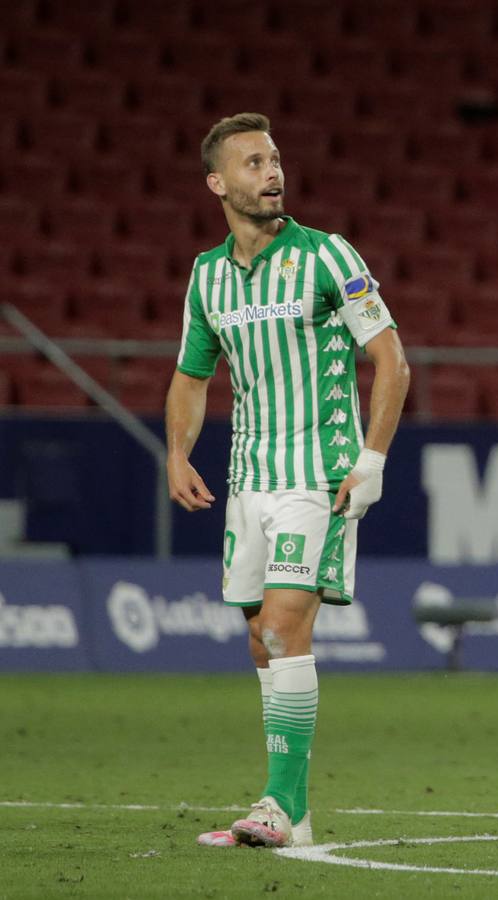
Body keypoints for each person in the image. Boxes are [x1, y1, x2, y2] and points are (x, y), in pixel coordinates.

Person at [166, 113, 411, 849]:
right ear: (218, 183)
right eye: (252, 162)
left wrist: (371, 459)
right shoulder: (208, 275)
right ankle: (295, 818)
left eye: (274, 158)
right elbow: (189, 376)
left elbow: (392, 360)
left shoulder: (329, 257)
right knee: (257, 640)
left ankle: (276, 802)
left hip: (321, 476)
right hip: (249, 481)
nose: (271, 172)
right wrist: (178, 452)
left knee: (282, 628)